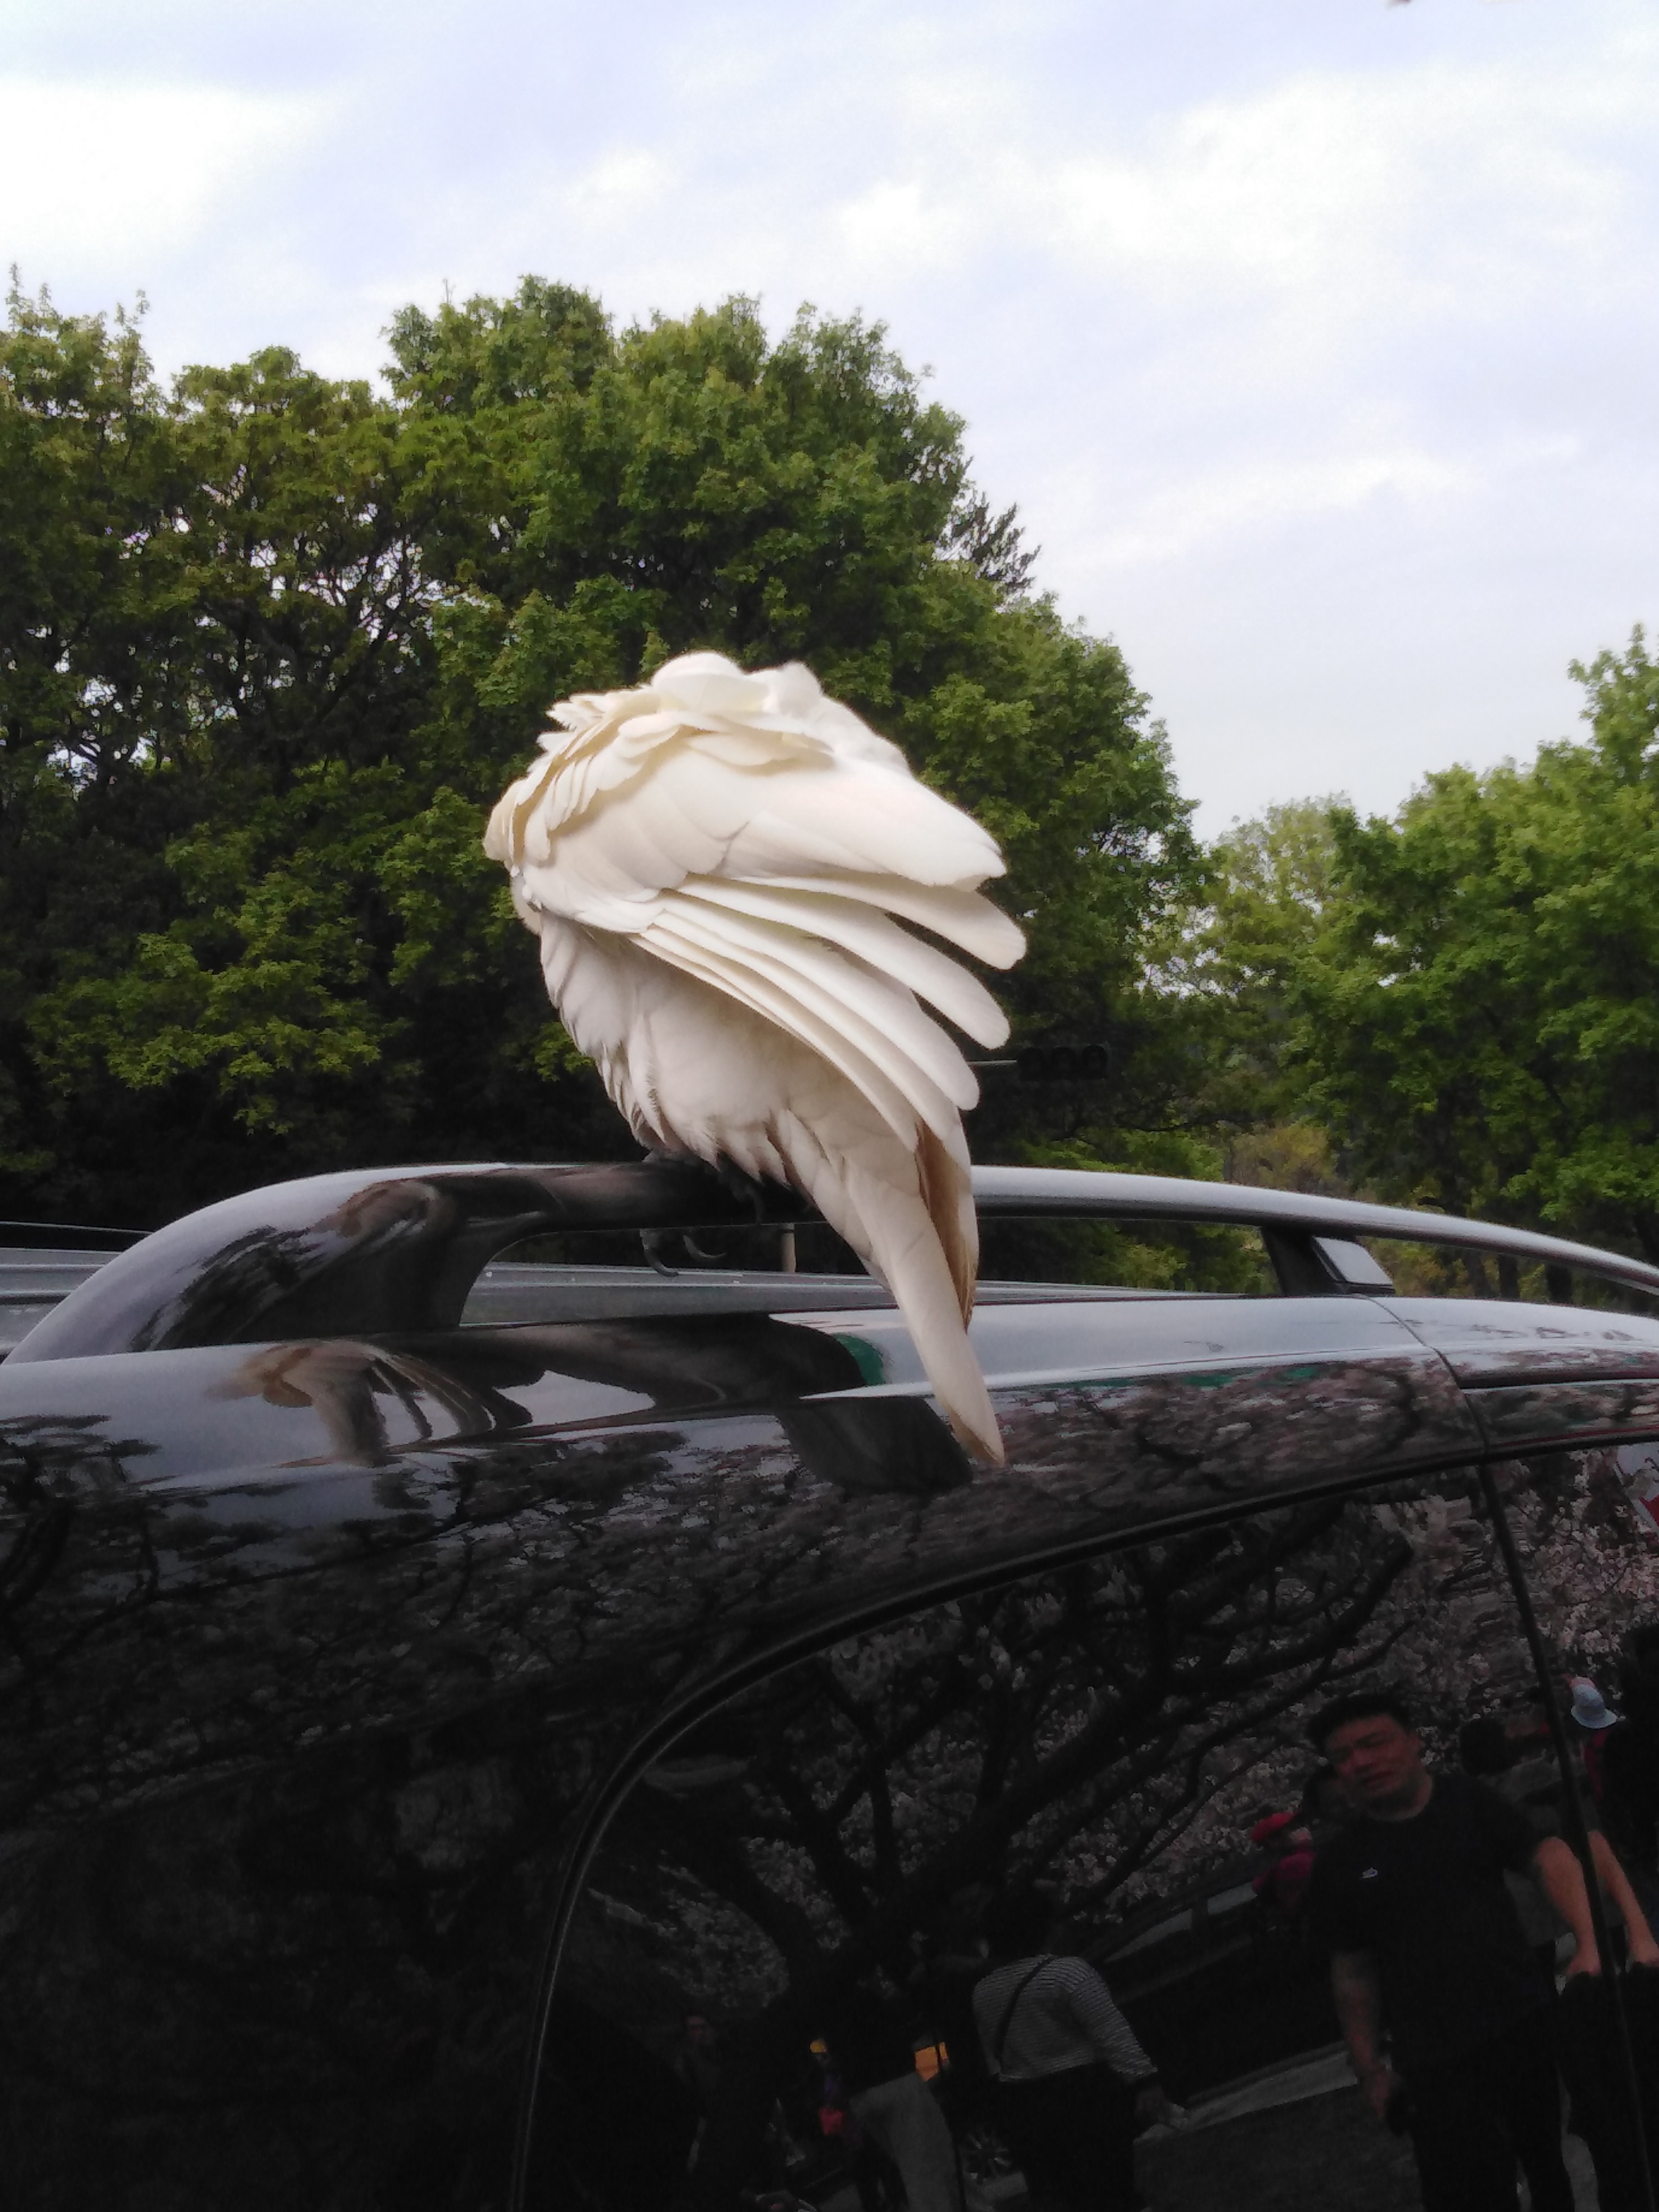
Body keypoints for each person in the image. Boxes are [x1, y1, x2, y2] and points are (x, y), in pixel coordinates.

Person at [1305, 1687, 1603, 2212]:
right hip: (1432, 2056)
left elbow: (1544, 1856)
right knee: (1471, 2186)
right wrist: (1370, 2068)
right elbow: (1353, 1970)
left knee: (1546, 2163)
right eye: (1343, 1755)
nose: (1361, 1762)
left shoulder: (1467, 1802)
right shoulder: (1343, 1861)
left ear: (1413, 1741)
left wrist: (1588, 1940)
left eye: (1374, 1743)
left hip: (1519, 2021)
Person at [971, 1889, 1168, 2212]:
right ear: (1043, 1928)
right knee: (1112, 2185)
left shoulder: (984, 1992)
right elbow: (1110, 2031)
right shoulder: (1067, 1973)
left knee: (1065, 2193)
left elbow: (994, 2056)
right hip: (1083, 2093)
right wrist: (1144, 2080)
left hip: (1026, 2102)